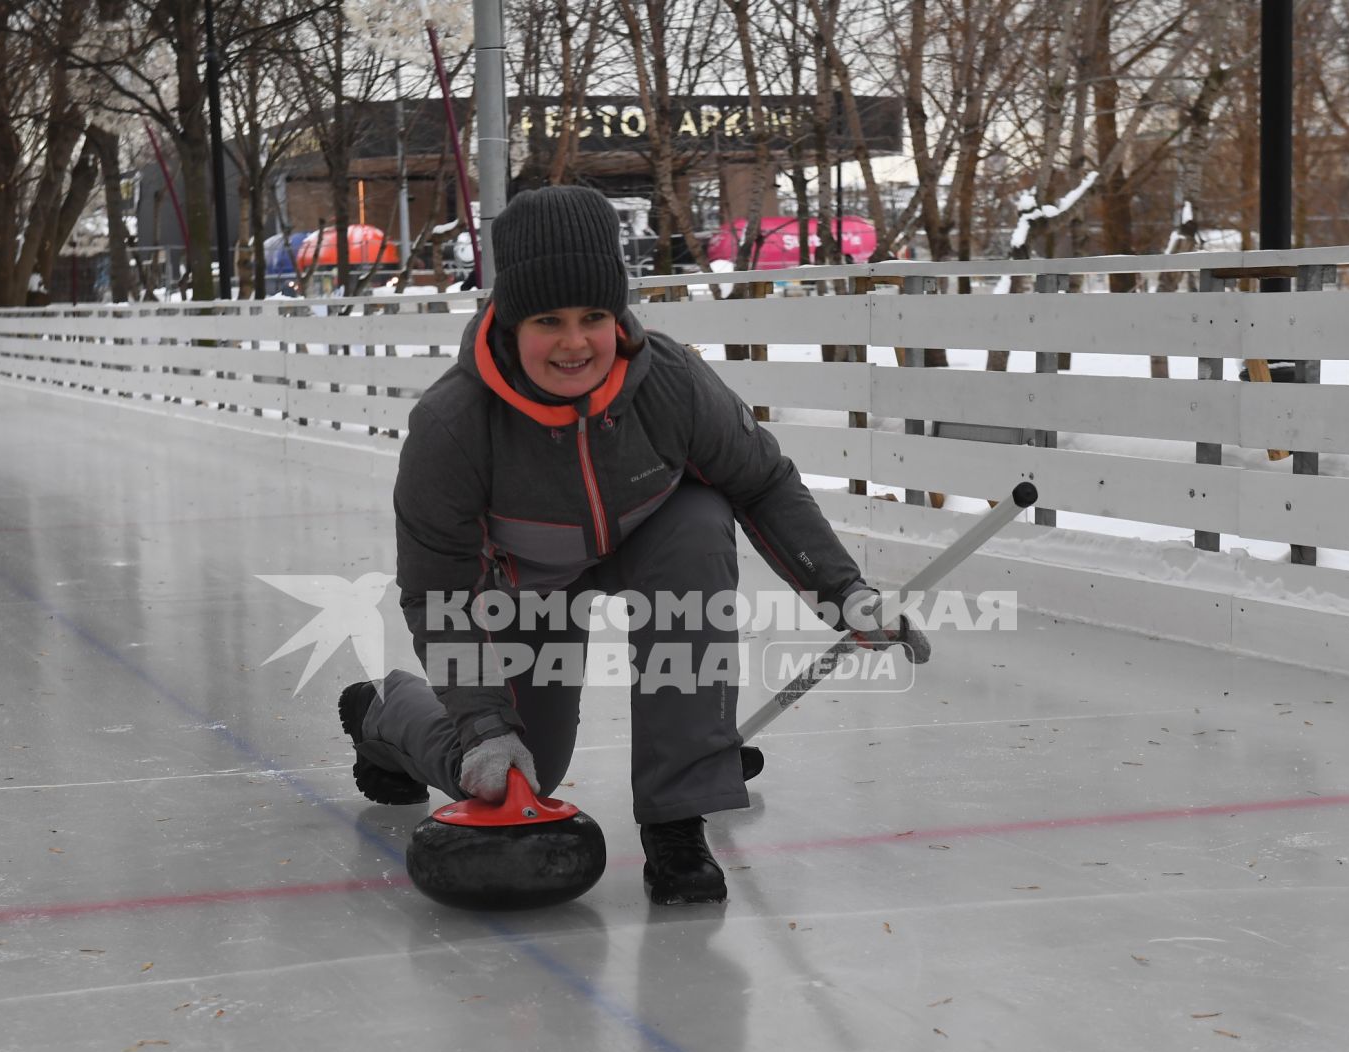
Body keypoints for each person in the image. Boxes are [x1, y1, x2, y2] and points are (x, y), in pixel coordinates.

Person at [338, 185, 926, 905]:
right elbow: (440, 592)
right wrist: (488, 724)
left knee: (700, 521)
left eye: (594, 316)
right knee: (522, 773)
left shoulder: (670, 383)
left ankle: (677, 820)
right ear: (508, 319)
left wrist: (843, 591)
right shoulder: (455, 427)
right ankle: (388, 711)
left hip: (646, 542)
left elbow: (763, 483)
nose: (575, 342)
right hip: (523, 588)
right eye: (548, 320)